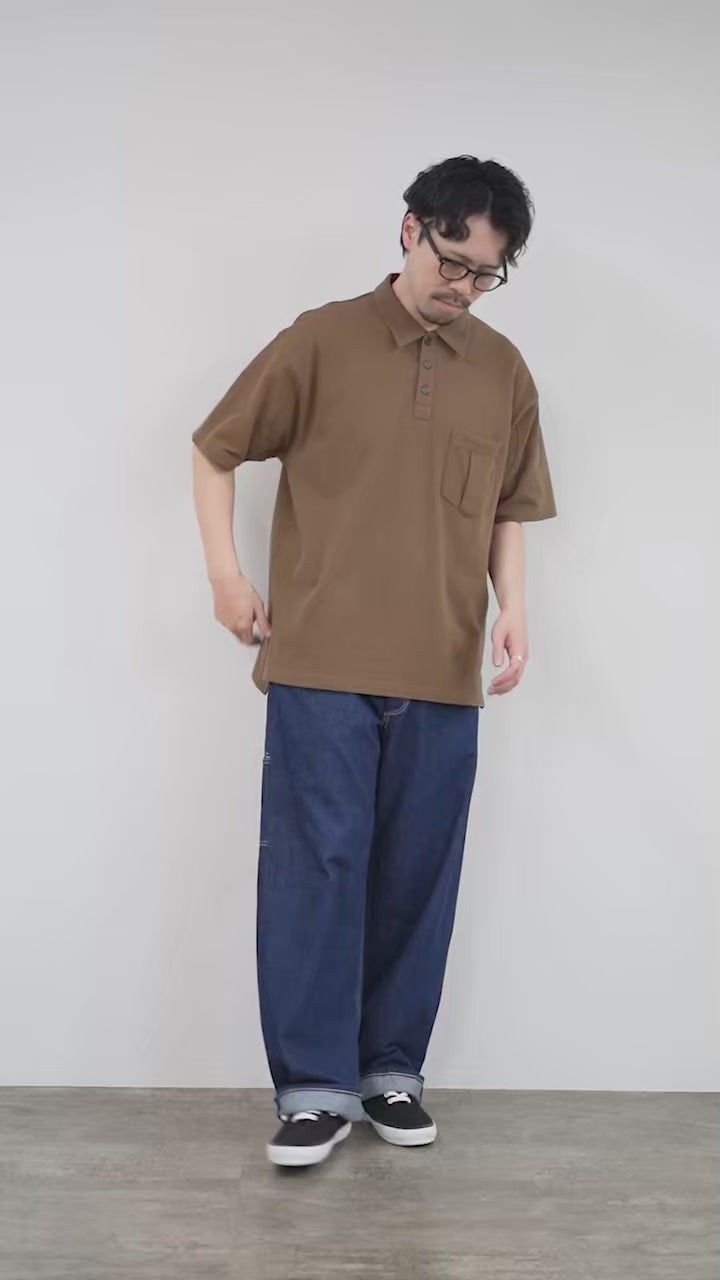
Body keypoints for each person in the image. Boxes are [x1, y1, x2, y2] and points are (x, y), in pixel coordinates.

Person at [191, 155, 558, 1168]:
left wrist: (515, 610)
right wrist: (224, 575)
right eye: (453, 261)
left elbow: (508, 508)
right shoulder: (320, 340)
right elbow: (215, 448)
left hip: (442, 665)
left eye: (486, 274)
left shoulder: (503, 370)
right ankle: (313, 1089)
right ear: (410, 230)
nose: (464, 286)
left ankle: (390, 1070)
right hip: (320, 659)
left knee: (415, 877)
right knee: (317, 870)